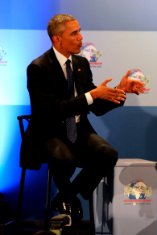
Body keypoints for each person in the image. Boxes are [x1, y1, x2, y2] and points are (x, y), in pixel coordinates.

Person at [25, 14, 145, 222]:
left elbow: (95, 106)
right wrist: (92, 95)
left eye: (80, 31)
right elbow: (49, 111)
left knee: (108, 154)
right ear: (57, 39)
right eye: (74, 33)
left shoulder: (80, 63)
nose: (81, 37)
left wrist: (119, 90)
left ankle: (66, 196)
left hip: (79, 130)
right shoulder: (38, 67)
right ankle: (69, 200)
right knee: (65, 160)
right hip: (49, 132)